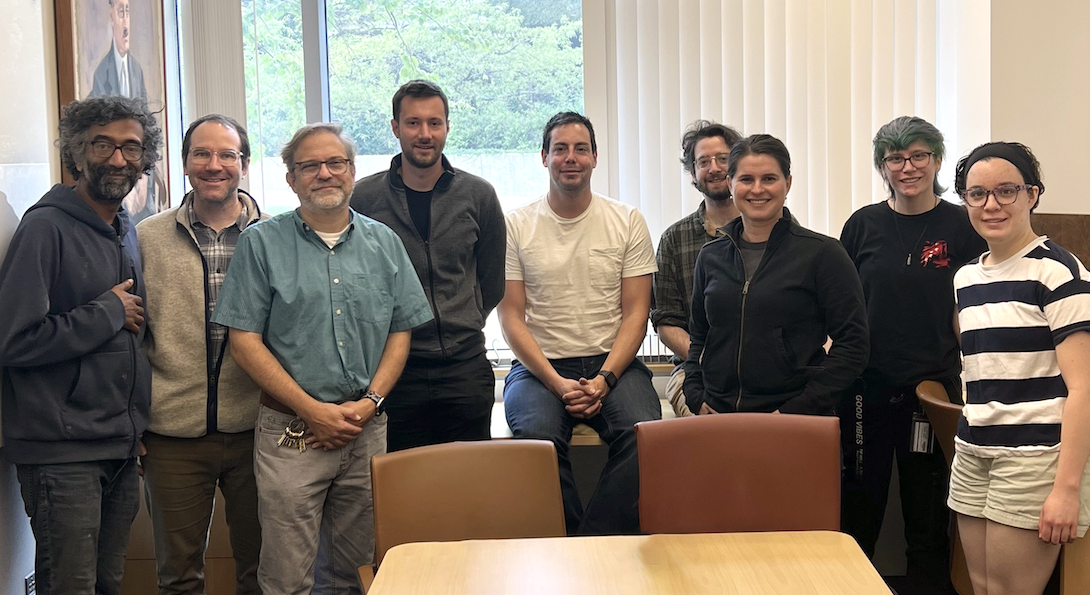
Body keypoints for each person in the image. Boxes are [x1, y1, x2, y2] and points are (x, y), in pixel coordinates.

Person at [211, 123, 432, 594]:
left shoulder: (385, 243)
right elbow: (244, 340)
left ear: (352, 173)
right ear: (291, 179)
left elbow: (400, 330)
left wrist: (371, 401)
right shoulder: (260, 243)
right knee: (287, 577)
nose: (324, 174)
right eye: (309, 166)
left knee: (355, 573)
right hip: (291, 432)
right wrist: (312, 411)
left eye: (336, 163)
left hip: (365, 427)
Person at [0, 95, 161, 594]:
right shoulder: (44, 228)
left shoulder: (124, 229)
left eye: (131, 148)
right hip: (60, 453)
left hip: (117, 444)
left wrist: (133, 427)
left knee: (108, 583)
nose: (118, 159)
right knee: (70, 586)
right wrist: (107, 312)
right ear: (76, 152)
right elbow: (16, 341)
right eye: (103, 145)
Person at [837, 116, 987, 590]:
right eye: (895, 158)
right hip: (866, 388)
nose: (907, 167)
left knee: (928, 516)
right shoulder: (862, 225)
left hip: (934, 390)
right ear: (883, 166)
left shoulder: (962, 225)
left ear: (937, 160)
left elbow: (973, 306)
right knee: (858, 512)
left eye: (919, 155)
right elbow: (844, 307)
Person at [499, 112, 661, 535]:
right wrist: (555, 381)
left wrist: (605, 378)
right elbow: (511, 316)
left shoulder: (626, 220)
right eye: (560, 149)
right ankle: (570, 544)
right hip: (539, 368)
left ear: (594, 158)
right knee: (537, 440)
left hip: (614, 365)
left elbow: (636, 314)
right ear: (544, 157)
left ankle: (594, 542)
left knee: (646, 437)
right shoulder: (515, 225)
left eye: (581, 149)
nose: (571, 158)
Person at [951, 141, 1090, 595]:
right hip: (974, 450)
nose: (991, 204)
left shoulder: (1059, 273)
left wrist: (1067, 490)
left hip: (1033, 459)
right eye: (977, 193)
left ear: (1032, 194)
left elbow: (1084, 388)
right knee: (981, 586)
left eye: (1006, 191)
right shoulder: (966, 277)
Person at [136, 114, 265, 595]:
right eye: (201, 154)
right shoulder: (146, 237)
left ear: (244, 165)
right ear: (185, 163)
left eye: (227, 154)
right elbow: (130, 340)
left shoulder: (276, 237)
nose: (214, 165)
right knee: (179, 577)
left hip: (259, 431)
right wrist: (133, 421)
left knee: (263, 570)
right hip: (171, 436)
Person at [352, 80, 505, 451]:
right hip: (396, 373)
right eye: (413, 123)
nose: (425, 134)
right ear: (395, 128)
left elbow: (492, 280)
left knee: (469, 485)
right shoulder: (364, 198)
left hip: (465, 367)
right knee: (404, 490)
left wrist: (461, 316)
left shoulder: (478, 195)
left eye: (434, 123)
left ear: (447, 128)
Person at [684, 133, 868, 416]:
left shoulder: (823, 254)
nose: (757, 189)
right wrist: (695, 395)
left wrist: (800, 408)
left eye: (769, 178)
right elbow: (699, 338)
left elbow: (853, 346)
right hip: (719, 415)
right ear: (731, 184)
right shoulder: (710, 257)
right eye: (746, 179)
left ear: (788, 184)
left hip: (794, 417)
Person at [651, 120, 743, 417]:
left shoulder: (775, 228)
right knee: (706, 431)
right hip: (695, 370)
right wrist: (709, 361)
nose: (714, 168)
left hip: (768, 370)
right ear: (693, 173)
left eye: (723, 159)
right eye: (703, 161)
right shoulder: (674, 240)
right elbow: (666, 321)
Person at [91, 0, 147, 100]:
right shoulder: (101, 75)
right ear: (112, 16)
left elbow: (145, 113)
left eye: (127, 12)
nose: (125, 23)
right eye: (121, 13)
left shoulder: (137, 71)